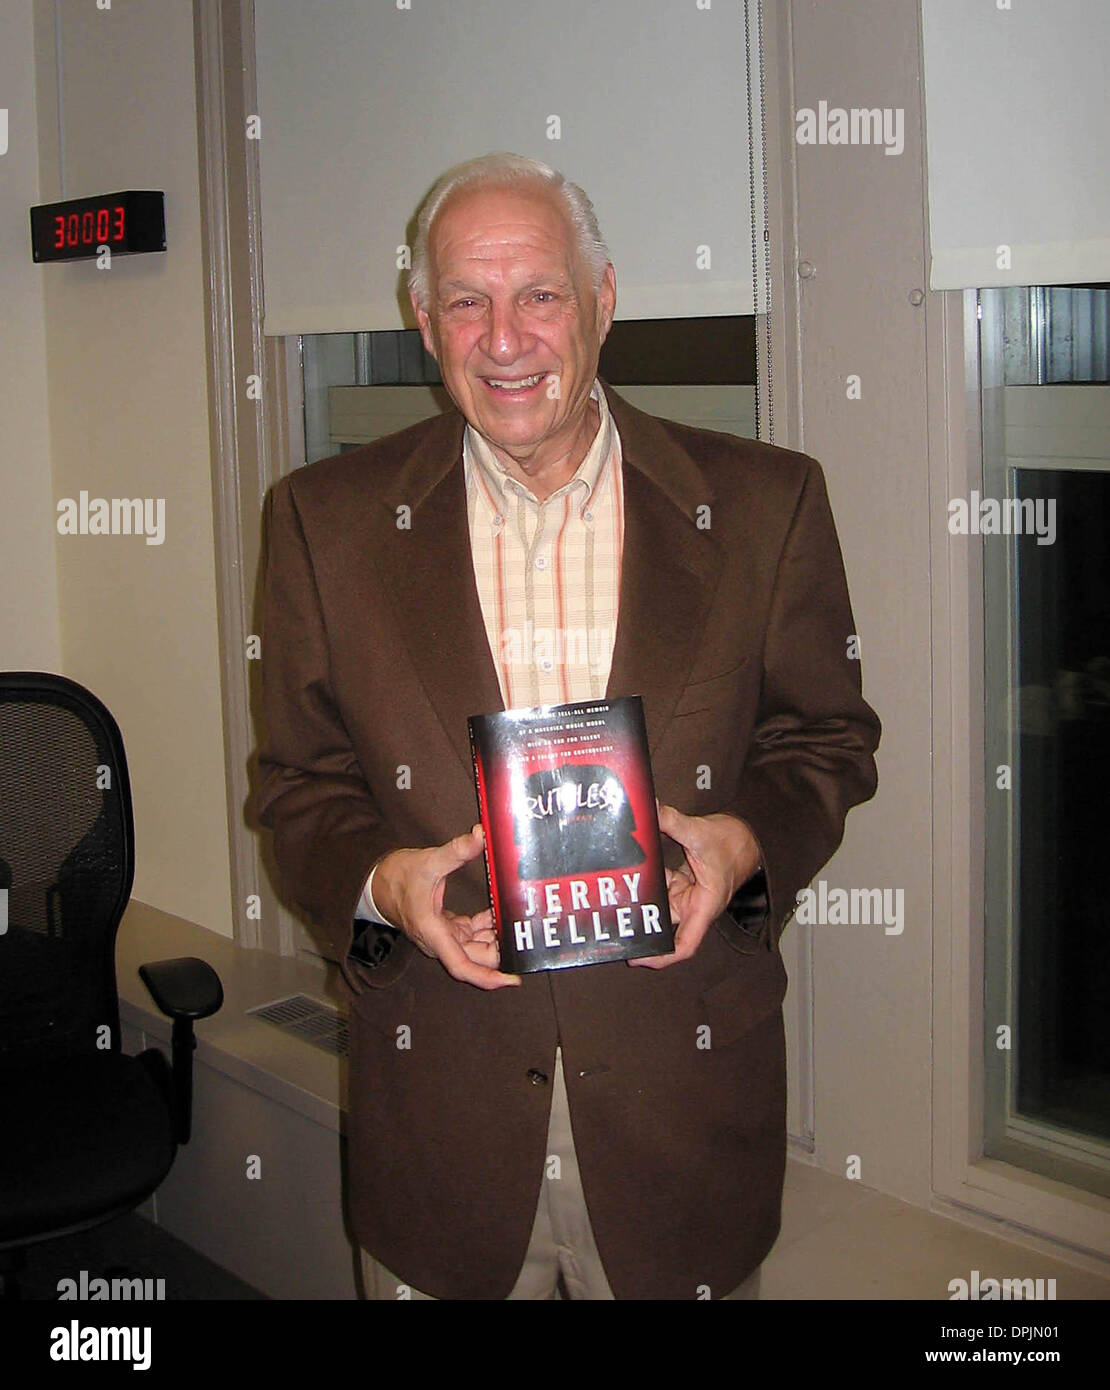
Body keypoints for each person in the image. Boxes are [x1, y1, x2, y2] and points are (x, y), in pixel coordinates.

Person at [254, 152, 880, 1300]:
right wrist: (381, 882)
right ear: (420, 317)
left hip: (680, 1110)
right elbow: (296, 785)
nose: (505, 338)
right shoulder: (322, 522)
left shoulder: (762, 506)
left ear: (602, 297)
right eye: (465, 300)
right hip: (435, 1112)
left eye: (539, 293)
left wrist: (748, 848)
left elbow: (827, 741)